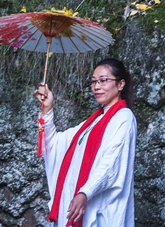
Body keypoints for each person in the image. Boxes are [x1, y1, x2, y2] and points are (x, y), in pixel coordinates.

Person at [34, 58, 137, 227]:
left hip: (98, 210)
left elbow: (111, 163)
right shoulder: (92, 123)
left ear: (120, 84)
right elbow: (56, 145)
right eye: (94, 82)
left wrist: (85, 193)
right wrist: (47, 109)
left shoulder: (123, 118)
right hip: (77, 205)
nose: (96, 86)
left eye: (103, 81)